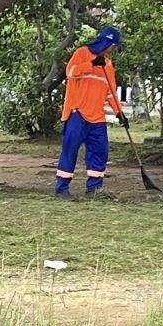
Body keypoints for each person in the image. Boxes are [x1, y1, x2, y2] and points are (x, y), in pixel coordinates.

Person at [54, 26, 127, 200]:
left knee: (100, 151)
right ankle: (61, 188)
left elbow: (110, 92)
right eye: (113, 46)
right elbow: (70, 72)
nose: (113, 50)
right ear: (106, 42)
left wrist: (119, 113)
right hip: (77, 113)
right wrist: (92, 64)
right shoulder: (82, 53)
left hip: (97, 117)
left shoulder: (108, 64)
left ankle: (94, 189)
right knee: (70, 150)